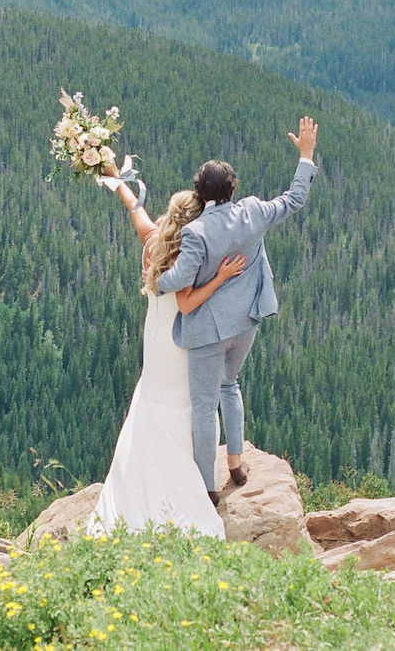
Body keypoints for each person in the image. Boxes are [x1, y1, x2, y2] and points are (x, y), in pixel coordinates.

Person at [157, 116, 318, 504]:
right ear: (232, 189)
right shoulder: (253, 212)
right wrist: (306, 154)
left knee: (202, 406)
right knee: (231, 387)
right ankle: (235, 463)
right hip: (247, 319)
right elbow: (294, 199)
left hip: (208, 330)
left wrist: (153, 279)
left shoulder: (196, 232)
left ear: (200, 192)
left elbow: (178, 280)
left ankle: (205, 487)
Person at [88, 173, 248, 538]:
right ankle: (188, 477)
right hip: (179, 340)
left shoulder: (153, 243)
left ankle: (142, 471)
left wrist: (115, 177)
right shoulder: (185, 258)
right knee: (188, 403)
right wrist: (222, 277)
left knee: (153, 398)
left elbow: (135, 208)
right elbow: (187, 303)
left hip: (154, 338)